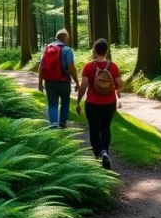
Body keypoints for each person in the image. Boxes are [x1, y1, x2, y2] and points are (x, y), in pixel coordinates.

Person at [76, 38, 123, 169]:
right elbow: (120, 84)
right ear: (107, 51)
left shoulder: (88, 67)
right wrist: (113, 89)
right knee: (106, 128)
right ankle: (106, 152)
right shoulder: (112, 66)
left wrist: (79, 101)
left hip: (92, 104)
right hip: (109, 103)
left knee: (94, 130)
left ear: (94, 50)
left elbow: (83, 85)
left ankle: (100, 154)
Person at [38, 29, 78, 128]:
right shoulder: (67, 50)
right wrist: (77, 82)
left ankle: (54, 125)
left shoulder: (48, 49)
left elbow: (41, 66)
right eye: (67, 38)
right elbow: (71, 67)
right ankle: (63, 123)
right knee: (65, 101)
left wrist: (40, 82)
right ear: (65, 37)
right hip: (64, 81)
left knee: (52, 104)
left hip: (49, 82)